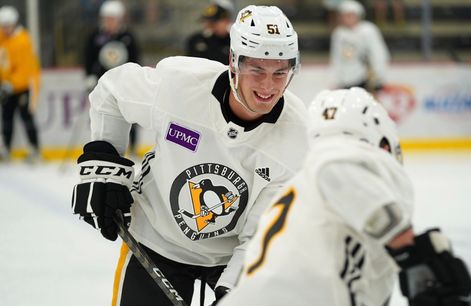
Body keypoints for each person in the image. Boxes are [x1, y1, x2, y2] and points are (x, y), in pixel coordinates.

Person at [71, 5, 307, 306]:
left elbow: (261, 235)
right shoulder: (180, 87)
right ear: (234, 62)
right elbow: (111, 91)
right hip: (156, 241)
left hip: (228, 257)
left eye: (280, 72)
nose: (268, 86)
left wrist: (235, 292)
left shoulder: (297, 138)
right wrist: (104, 162)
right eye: (256, 69)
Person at [218, 87, 471, 306]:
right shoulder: (341, 161)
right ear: (383, 143)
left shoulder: (308, 195)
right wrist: (410, 253)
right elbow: (336, 167)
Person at [84, 0, 140, 155]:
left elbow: (135, 59)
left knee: (129, 115)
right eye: (107, 18)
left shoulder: (127, 37)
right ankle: (102, 147)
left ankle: (133, 146)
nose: (109, 22)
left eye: (112, 18)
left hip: (124, 84)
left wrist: (135, 78)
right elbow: (88, 58)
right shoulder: (96, 36)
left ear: (120, 19)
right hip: (103, 85)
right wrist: (88, 76)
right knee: (101, 114)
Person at [0, 5, 41, 162]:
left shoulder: (22, 40)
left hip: (26, 85)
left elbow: (25, 70)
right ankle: (6, 148)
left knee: (26, 117)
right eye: (3, 26)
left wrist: (10, 83)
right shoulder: (2, 39)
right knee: (7, 117)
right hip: (7, 86)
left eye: (8, 25)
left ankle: (34, 148)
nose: (6, 29)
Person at [330, 0, 390, 94]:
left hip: (367, 77)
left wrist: (378, 73)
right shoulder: (339, 33)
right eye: (344, 15)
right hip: (347, 78)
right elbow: (336, 57)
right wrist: (336, 78)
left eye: (350, 15)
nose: (347, 18)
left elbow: (378, 53)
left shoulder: (368, 30)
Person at [186, 0, 233, 65]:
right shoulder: (196, 40)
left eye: (214, 23)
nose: (209, 26)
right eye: (207, 23)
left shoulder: (233, 42)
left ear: (226, 21)